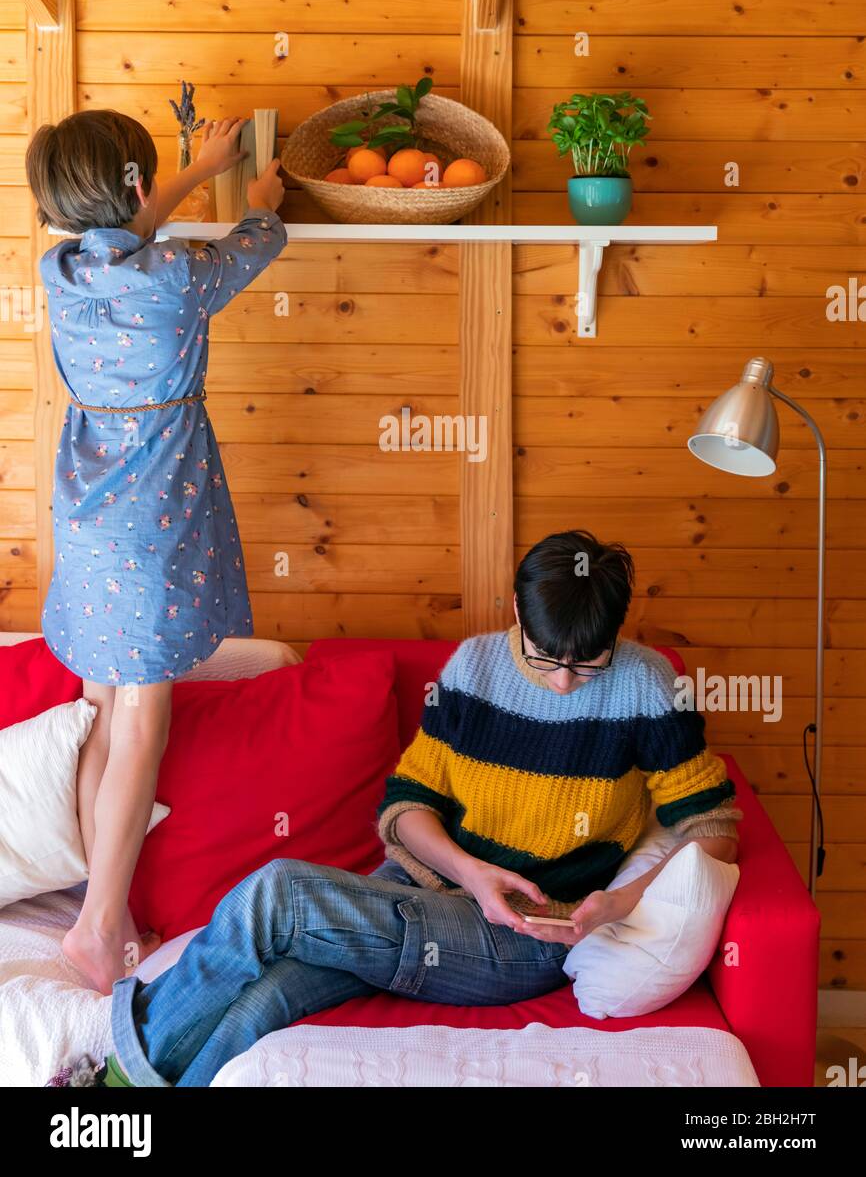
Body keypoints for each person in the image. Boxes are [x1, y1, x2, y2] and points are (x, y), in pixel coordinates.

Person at [49, 529, 741, 1088]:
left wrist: (617, 906)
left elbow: (713, 829)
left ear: (619, 632)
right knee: (268, 998)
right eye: (545, 658)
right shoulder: (473, 669)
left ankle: (108, 1077)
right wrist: (471, 872)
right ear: (514, 610)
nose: (563, 682)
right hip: (422, 892)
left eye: (586, 664)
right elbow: (408, 805)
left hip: (520, 938)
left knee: (279, 893)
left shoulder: (648, 685)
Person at [26, 110, 287, 996]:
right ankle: (102, 928)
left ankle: (94, 903)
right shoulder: (178, 276)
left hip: (88, 500)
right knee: (141, 713)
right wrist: (252, 197)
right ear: (137, 189)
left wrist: (189, 168)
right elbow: (255, 245)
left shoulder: (59, 270)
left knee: (102, 698)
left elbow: (124, 224)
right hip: (153, 504)